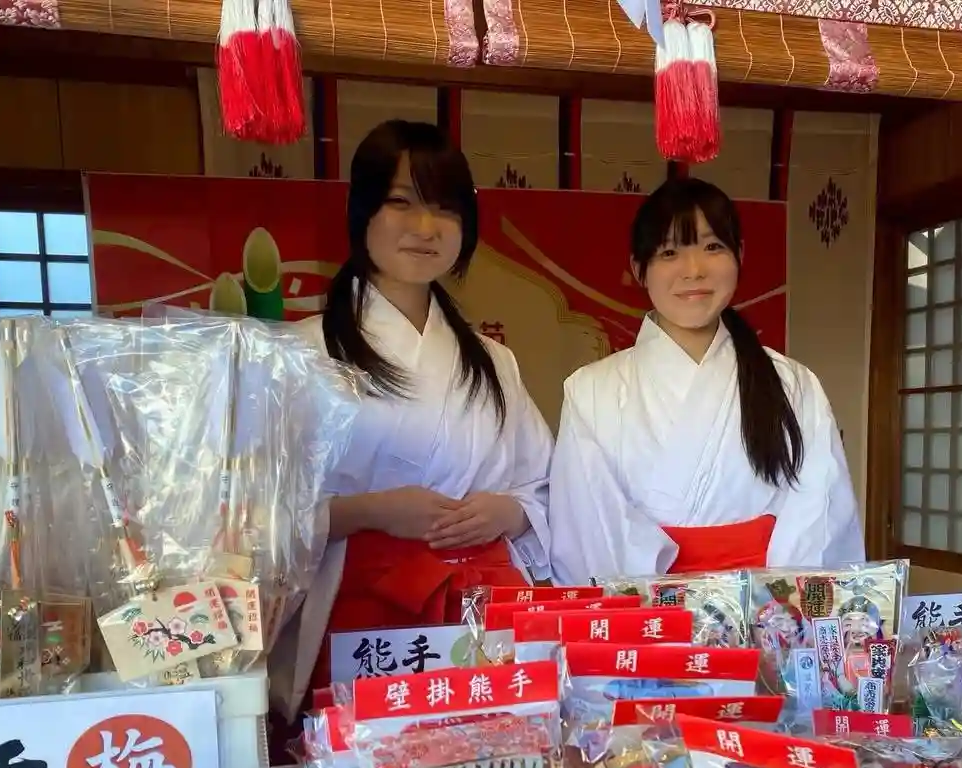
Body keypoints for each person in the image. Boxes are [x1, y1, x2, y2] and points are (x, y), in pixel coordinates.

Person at [282, 120, 553, 717]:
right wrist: (368, 512)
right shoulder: (300, 353)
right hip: (361, 605)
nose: (426, 228)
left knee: (491, 756)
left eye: (445, 208)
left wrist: (510, 512)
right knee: (374, 756)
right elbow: (255, 513)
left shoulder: (495, 361)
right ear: (362, 210)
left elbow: (543, 483)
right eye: (402, 202)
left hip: (484, 605)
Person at [548, 177, 863, 584]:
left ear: (739, 255)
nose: (694, 270)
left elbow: (820, 515)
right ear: (639, 269)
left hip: (765, 607)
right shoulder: (590, 391)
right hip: (649, 611)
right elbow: (587, 528)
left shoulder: (793, 383)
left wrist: (770, 605)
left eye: (713, 247)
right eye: (670, 252)